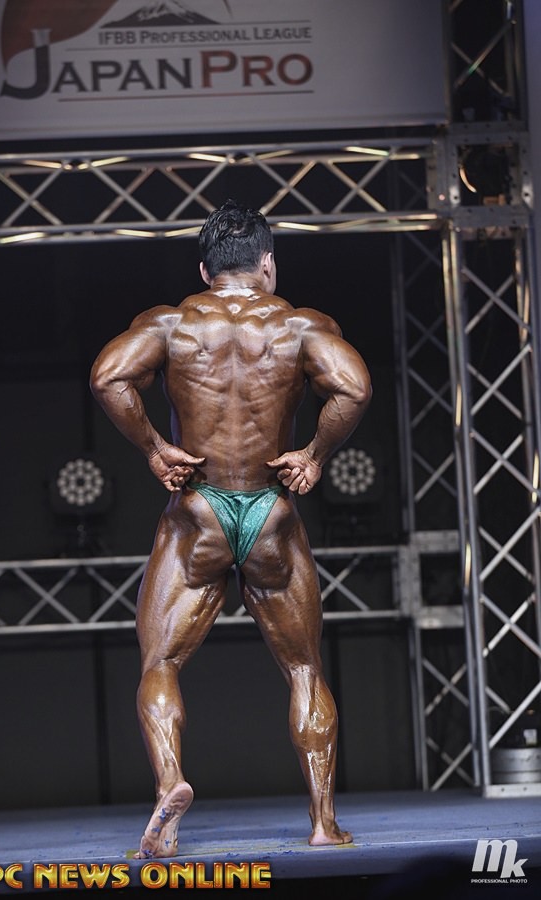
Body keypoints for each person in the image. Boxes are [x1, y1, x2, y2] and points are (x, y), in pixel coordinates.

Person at [90, 199, 372, 859]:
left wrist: (154, 448)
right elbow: (354, 388)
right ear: (267, 264)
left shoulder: (171, 323)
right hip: (270, 510)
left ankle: (170, 785)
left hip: (198, 511)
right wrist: (313, 456)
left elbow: (109, 376)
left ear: (204, 269)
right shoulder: (302, 326)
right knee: (303, 667)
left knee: (161, 662)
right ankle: (323, 823)